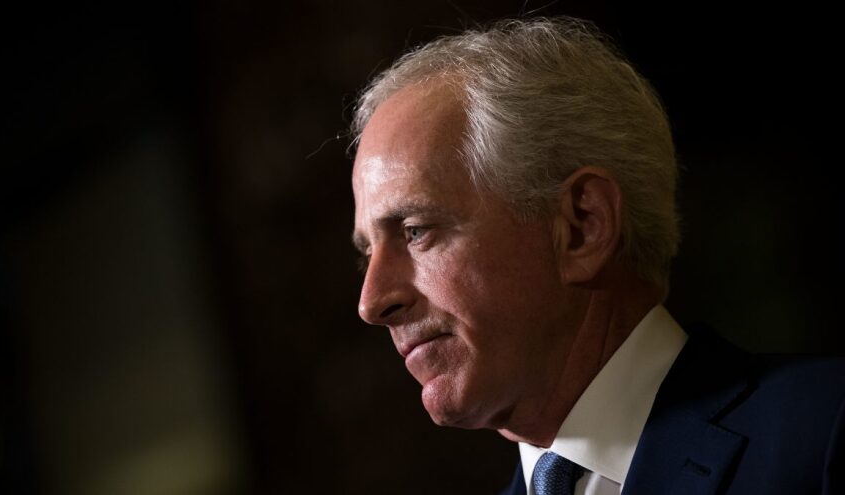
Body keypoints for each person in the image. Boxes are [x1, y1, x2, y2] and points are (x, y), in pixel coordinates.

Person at [349, 17, 844, 495]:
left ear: (583, 226)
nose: (371, 302)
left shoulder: (824, 434)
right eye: (367, 252)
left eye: (415, 232)